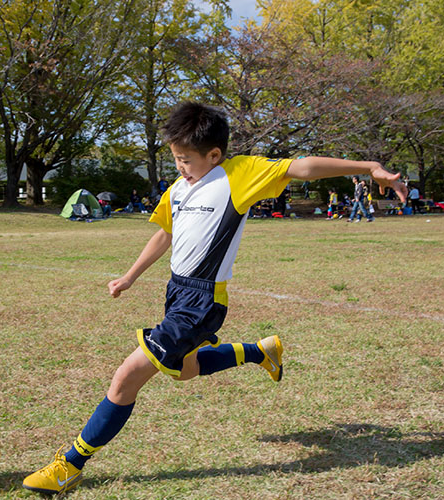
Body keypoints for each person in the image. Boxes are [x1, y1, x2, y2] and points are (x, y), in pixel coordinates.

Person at [21, 102, 407, 495]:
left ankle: (70, 464)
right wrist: (130, 276)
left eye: (186, 160)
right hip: (177, 293)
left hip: (202, 302)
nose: (180, 167)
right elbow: (164, 235)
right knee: (184, 371)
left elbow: (300, 166)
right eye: (175, 159)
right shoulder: (178, 188)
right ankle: (260, 351)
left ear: (215, 154)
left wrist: (367, 166)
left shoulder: (238, 174)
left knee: (126, 378)